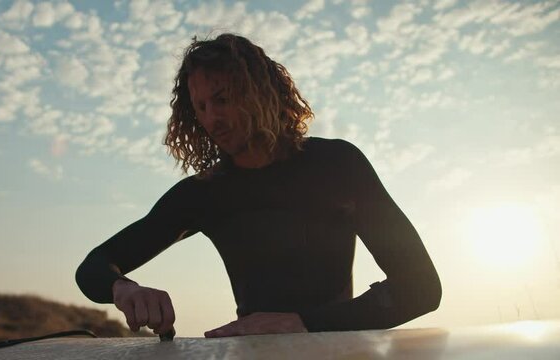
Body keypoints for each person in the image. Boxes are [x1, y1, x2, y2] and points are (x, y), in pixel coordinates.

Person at [76, 33, 441, 338]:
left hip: (336, 352)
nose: (211, 119)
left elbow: (421, 287)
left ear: (260, 92)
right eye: (199, 106)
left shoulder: (337, 165)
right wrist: (124, 289)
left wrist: (304, 323)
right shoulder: (205, 193)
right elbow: (95, 265)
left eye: (222, 99)